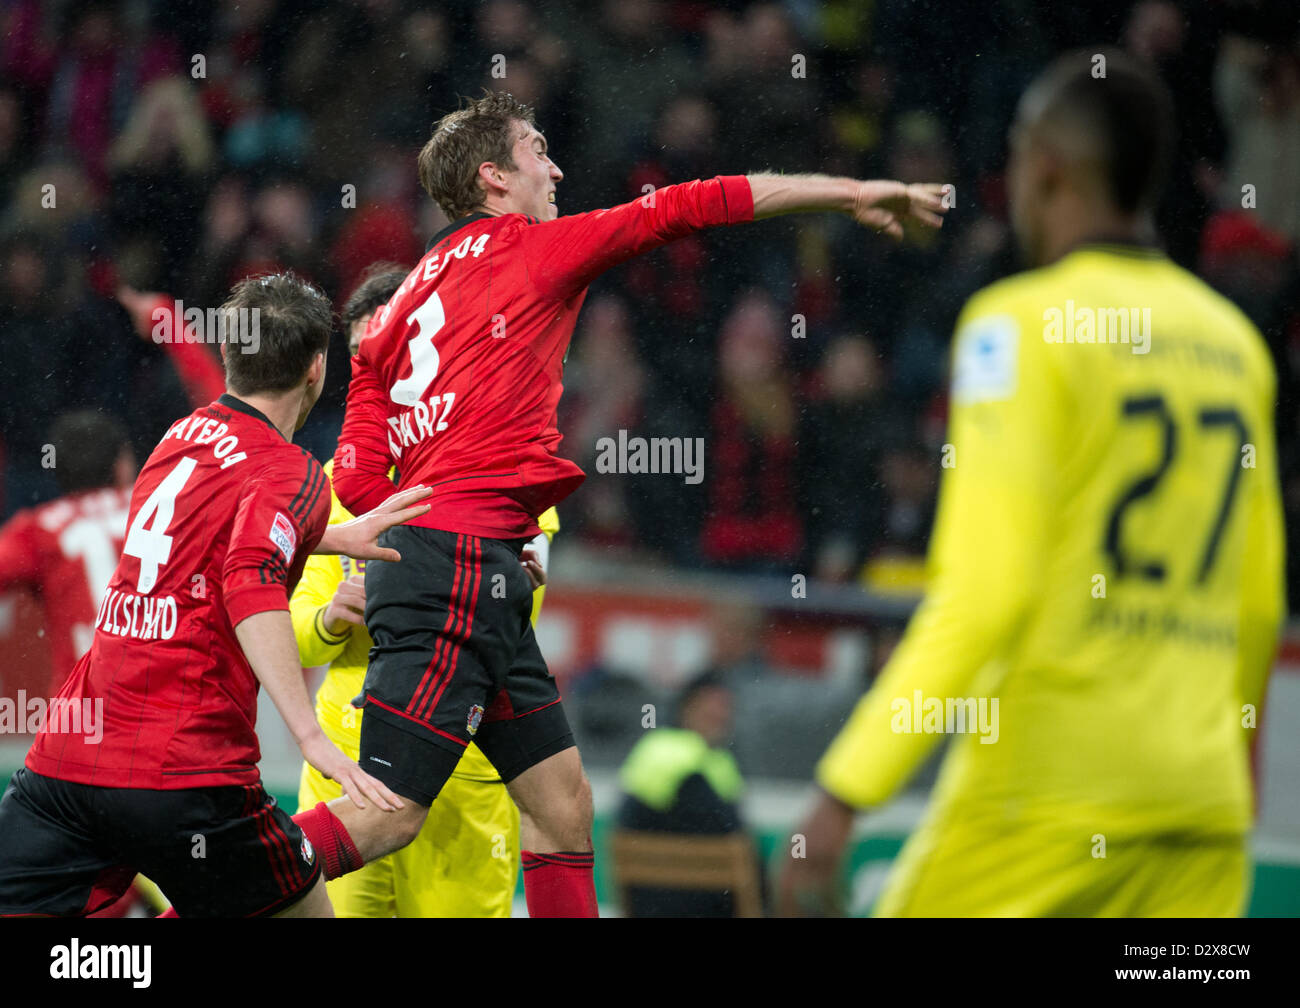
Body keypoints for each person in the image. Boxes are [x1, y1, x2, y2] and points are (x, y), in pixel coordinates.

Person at [298, 90, 947, 918]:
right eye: (538, 149)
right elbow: (693, 204)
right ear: (495, 178)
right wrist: (848, 193)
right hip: (458, 569)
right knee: (388, 818)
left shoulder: (400, 305)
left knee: (564, 807)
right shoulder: (534, 251)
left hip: (470, 571)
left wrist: (413, 525)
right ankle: (209, 882)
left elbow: (355, 475)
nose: (557, 164)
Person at [780, 49, 1285, 918]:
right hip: (1198, 809)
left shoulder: (1016, 329)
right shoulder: (1233, 345)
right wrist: (1218, 770)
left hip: (1046, 796)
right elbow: (1258, 602)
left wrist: (845, 789)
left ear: (1045, 168)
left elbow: (986, 593)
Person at [0, 272, 431, 918]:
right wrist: (308, 736)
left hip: (67, 766)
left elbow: (220, 537)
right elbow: (249, 575)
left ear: (233, 355)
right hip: (188, 772)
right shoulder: (294, 472)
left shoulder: (176, 442)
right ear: (317, 369)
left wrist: (337, 536)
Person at [293, 263, 559, 916]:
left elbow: (520, 602)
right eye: (358, 357)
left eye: (386, 353)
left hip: (460, 779)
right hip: (347, 769)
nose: (371, 374)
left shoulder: (498, 463)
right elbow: (296, 628)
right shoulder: (332, 480)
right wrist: (331, 617)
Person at [0, 411, 135, 695]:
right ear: (121, 465)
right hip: (163, 698)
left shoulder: (40, 529)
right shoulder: (160, 508)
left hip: (84, 708)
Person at [616, 671, 750, 917]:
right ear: (686, 708)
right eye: (712, 707)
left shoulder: (655, 748)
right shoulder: (679, 755)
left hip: (646, 904)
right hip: (686, 902)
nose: (721, 715)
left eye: (725, 707)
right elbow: (727, 831)